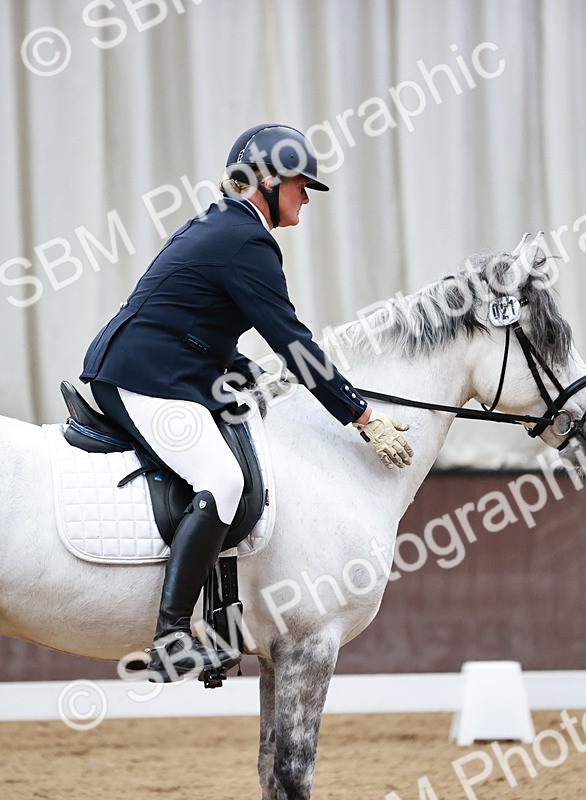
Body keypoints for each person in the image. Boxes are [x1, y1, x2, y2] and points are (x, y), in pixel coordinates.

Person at [80, 123, 413, 682]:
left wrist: (246, 371)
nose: (307, 197)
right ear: (268, 181)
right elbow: (294, 343)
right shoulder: (246, 241)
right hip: (143, 377)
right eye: (301, 185)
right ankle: (171, 637)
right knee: (224, 479)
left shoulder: (223, 226)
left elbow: (193, 319)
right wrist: (361, 415)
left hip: (156, 367)